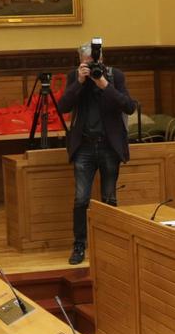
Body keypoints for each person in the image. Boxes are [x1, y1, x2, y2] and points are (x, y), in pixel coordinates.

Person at [56, 43, 140, 264]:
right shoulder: (74, 76)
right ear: (80, 62)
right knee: (81, 198)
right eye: (87, 63)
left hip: (109, 146)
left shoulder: (115, 76)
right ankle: (79, 245)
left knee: (109, 199)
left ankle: (110, 243)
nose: (93, 66)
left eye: (96, 62)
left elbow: (129, 106)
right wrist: (80, 82)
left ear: (102, 60)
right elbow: (63, 106)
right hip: (84, 146)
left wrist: (104, 84)